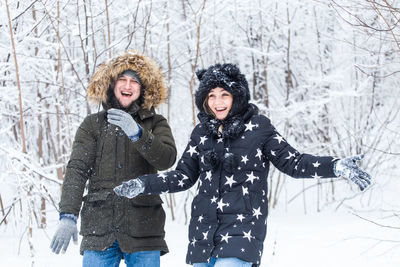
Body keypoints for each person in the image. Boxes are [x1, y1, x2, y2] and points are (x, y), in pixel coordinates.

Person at [113, 63, 372, 267]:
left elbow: (294, 163)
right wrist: (142, 184)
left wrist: (336, 166)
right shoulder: (201, 132)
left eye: (224, 94)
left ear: (237, 96)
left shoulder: (259, 128)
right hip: (204, 231)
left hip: (242, 229)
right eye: (211, 96)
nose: (218, 102)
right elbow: (183, 177)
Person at [50, 50, 177, 267]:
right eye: (122, 79)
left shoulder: (155, 122)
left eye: (134, 82)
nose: (127, 86)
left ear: (143, 88)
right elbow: (77, 170)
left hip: (144, 228)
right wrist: (68, 215)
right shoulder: (93, 125)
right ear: (112, 84)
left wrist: (138, 134)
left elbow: (166, 159)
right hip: (100, 229)